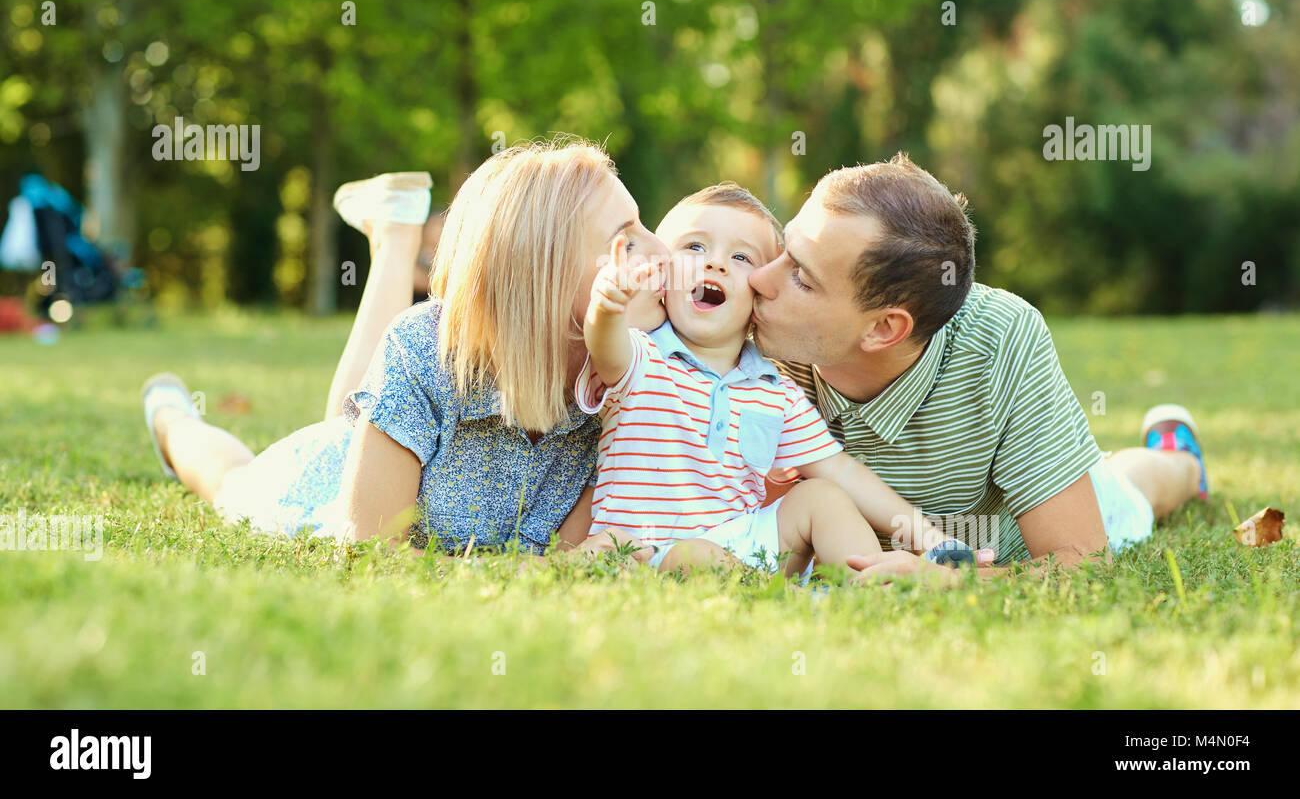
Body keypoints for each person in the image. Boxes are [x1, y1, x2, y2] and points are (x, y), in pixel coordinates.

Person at [140, 138, 670, 554]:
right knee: (234, 482)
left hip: (384, 440)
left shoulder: (639, 373)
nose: (661, 250)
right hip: (323, 488)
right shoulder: (426, 350)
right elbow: (370, 548)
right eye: (627, 240)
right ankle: (172, 419)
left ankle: (393, 231)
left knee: (351, 413)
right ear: (538, 279)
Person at [748, 153, 1209, 581]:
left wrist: (950, 583)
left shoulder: (1000, 339)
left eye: (801, 279)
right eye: (782, 251)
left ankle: (1181, 458)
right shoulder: (744, 331)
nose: (758, 279)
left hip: (1013, 533)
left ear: (884, 328)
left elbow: (1081, 560)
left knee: (1129, 488)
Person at [578, 182, 986, 582]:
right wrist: (608, 306)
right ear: (662, 277)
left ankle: (869, 587)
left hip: (742, 541)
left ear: (760, 292)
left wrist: (931, 539)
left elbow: (840, 470)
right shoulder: (644, 358)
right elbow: (608, 349)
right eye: (694, 247)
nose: (715, 263)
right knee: (695, 556)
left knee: (823, 497)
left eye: (741, 257)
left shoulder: (774, 389)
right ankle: (782, 604)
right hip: (645, 551)